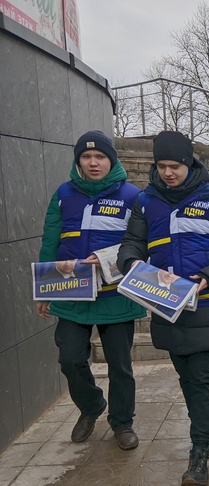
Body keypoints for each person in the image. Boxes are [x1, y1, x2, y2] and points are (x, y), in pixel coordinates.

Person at [117, 130, 209, 486]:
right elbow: (131, 244)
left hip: (207, 307)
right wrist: (131, 264)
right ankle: (202, 438)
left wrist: (208, 277)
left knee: (202, 378)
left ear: (189, 162)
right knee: (186, 378)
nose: (168, 173)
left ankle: (198, 452)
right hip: (167, 308)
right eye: (161, 166)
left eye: (174, 166)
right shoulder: (146, 202)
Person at [36, 130, 146, 450]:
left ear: (111, 159)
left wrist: (106, 258)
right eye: (86, 157)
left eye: (100, 157)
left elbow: (141, 244)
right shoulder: (64, 194)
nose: (93, 163)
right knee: (70, 359)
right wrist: (44, 290)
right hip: (71, 290)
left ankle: (122, 422)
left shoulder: (132, 196)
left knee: (120, 365)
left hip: (115, 293)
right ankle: (91, 406)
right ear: (78, 160)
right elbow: (50, 242)